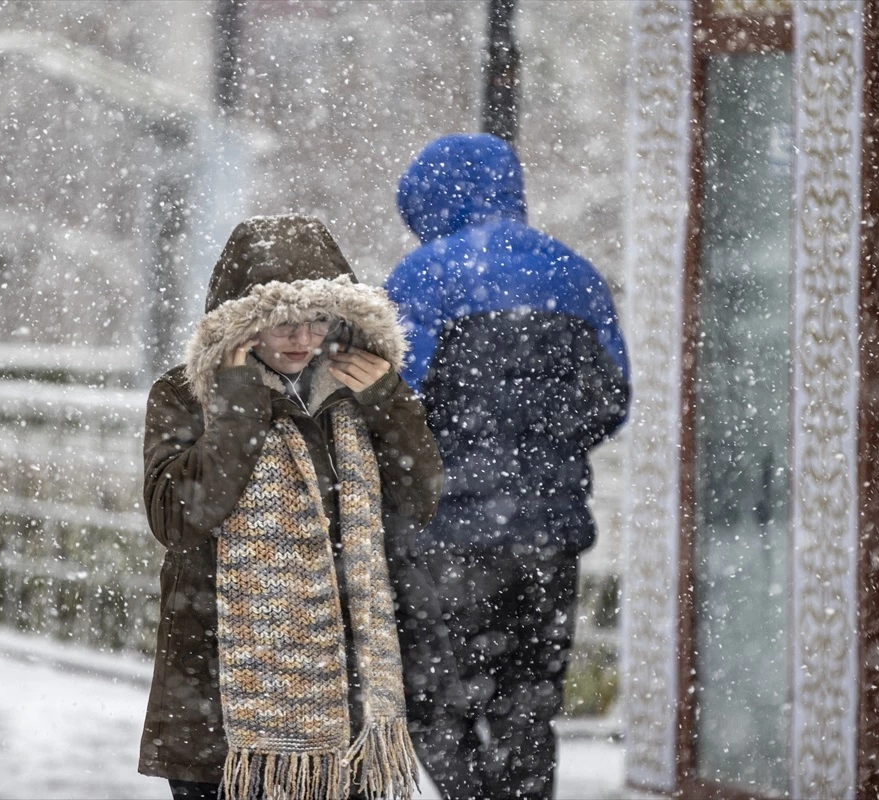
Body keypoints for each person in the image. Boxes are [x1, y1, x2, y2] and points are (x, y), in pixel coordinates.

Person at [138, 215, 444, 800]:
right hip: (219, 709)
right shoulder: (184, 395)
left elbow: (419, 500)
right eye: (282, 321)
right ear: (240, 326)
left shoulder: (358, 393)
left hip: (344, 710)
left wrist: (388, 403)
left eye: (318, 319)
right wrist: (236, 405)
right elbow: (179, 517)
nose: (302, 338)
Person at [385, 134, 631, 800]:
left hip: (446, 537)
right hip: (550, 532)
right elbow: (611, 402)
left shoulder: (422, 278)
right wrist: (541, 456)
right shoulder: (577, 276)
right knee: (528, 707)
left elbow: (392, 403)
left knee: (436, 702)